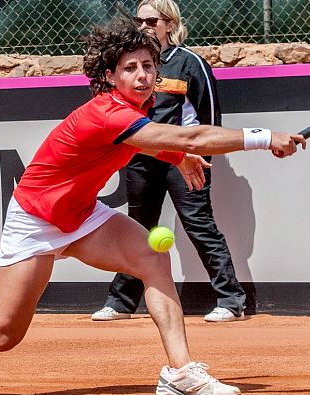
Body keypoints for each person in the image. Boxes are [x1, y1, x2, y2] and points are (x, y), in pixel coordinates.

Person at [0, 16, 305, 395]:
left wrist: (178, 158)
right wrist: (265, 137)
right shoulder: (107, 113)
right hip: (36, 220)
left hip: (82, 215)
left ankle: (180, 374)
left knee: (154, 258)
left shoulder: (144, 105)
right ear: (110, 76)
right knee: (2, 333)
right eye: (130, 68)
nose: (142, 75)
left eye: (148, 66)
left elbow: (154, 144)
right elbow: (187, 137)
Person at [92, 0, 248, 324]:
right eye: (140, 21)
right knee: (138, 228)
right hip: (142, 157)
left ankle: (232, 300)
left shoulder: (190, 63)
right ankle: (121, 302)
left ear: (169, 23)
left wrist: (200, 154)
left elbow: (210, 118)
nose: (144, 26)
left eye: (151, 21)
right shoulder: (133, 65)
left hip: (185, 159)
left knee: (198, 223)